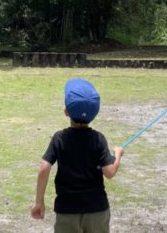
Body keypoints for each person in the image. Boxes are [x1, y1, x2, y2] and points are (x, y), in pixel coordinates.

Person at [31, 78, 124, 233]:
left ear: (66, 112)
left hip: (67, 210)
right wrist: (118, 154)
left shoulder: (59, 138)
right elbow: (109, 172)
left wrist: (39, 202)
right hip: (97, 209)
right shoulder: (98, 139)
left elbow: (44, 168)